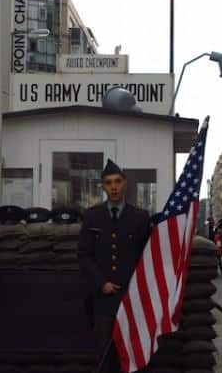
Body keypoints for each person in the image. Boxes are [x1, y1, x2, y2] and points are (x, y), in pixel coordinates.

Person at [78, 159, 151, 373]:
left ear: (125, 184)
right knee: (104, 353)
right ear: (102, 186)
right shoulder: (92, 216)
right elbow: (84, 254)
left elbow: (146, 257)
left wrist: (135, 288)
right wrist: (101, 284)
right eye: (108, 182)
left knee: (131, 352)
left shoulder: (140, 217)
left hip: (131, 298)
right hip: (103, 299)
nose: (114, 187)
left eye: (118, 181)